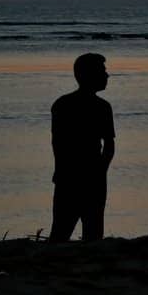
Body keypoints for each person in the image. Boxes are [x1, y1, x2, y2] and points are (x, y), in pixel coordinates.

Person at [49, 52, 115, 242]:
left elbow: (57, 145)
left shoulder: (63, 104)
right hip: (79, 176)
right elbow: (109, 146)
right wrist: (100, 172)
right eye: (102, 71)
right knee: (86, 233)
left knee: (64, 232)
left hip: (71, 176)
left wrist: (99, 172)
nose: (107, 75)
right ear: (88, 74)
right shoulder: (100, 107)